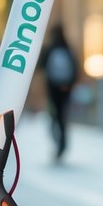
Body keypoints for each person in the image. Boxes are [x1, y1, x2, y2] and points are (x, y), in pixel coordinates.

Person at [39, 24, 78, 162]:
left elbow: (41, 67)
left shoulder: (50, 49)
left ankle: (58, 144)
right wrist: (69, 85)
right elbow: (75, 68)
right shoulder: (67, 49)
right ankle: (62, 145)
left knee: (54, 116)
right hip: (65, 89)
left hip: (53, 89)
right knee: (62, 117)